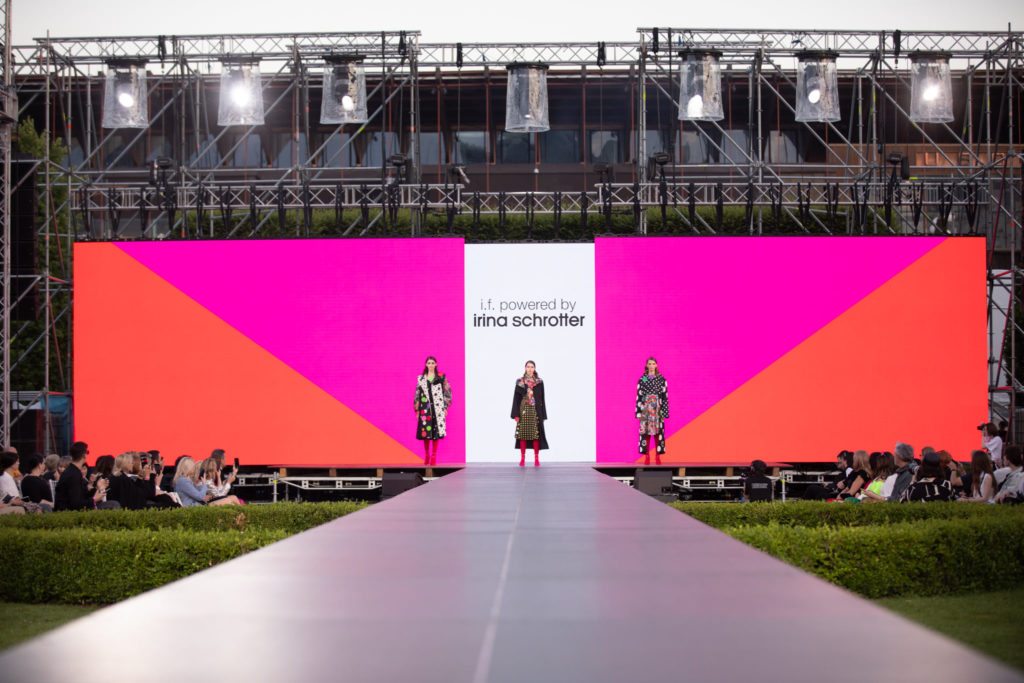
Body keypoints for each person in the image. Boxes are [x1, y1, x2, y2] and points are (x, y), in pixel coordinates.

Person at [414, 356, 453, 466]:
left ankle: (434, 456)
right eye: (429, 363)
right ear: (426, 365)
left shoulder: (441, 378)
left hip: (438, 408)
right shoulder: (421, 379)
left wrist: (445, 407)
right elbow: (417, 395)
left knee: (436, 432)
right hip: (425, 408)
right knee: (425, 431)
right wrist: (417, 410)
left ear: (436, 364)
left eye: (432, 363)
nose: (430, 365)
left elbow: (448, 392)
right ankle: (427, 454)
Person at [511, 360, 548, 467]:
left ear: (534, 368)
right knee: (522, 435)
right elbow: (516, 399)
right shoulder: (520, 382)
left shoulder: (539, 382)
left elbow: (542, 399)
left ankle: (536, 459)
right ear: (525, 368)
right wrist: (515, 414)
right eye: (528, 367)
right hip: (523, 411)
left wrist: (543, 415)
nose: (530, 369)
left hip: (536, 411)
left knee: (536, 435)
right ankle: (522, 459)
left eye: (532, 367)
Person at [55, 442, 110, 511]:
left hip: (68, 510)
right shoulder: (73, 475)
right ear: (84, 455)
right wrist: (94, 500)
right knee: (112, 505)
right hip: (67, 513)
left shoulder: (73, 471)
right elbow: (76, 504)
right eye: (87, 452)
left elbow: (82, 495)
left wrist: (97, 488)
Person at [635, 357, 669, 465]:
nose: (651, 366)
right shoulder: (643, 379)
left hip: (658, 408)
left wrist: (664, 412)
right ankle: (647, 456)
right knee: (646, 432)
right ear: (646, 365)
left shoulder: (661, 379)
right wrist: (638, 412)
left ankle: (657, 456)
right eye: (649, 364)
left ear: (656, 365)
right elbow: (639, 395)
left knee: (658, 432)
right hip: (645, 408)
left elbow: (665, 396)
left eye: (653, 363)